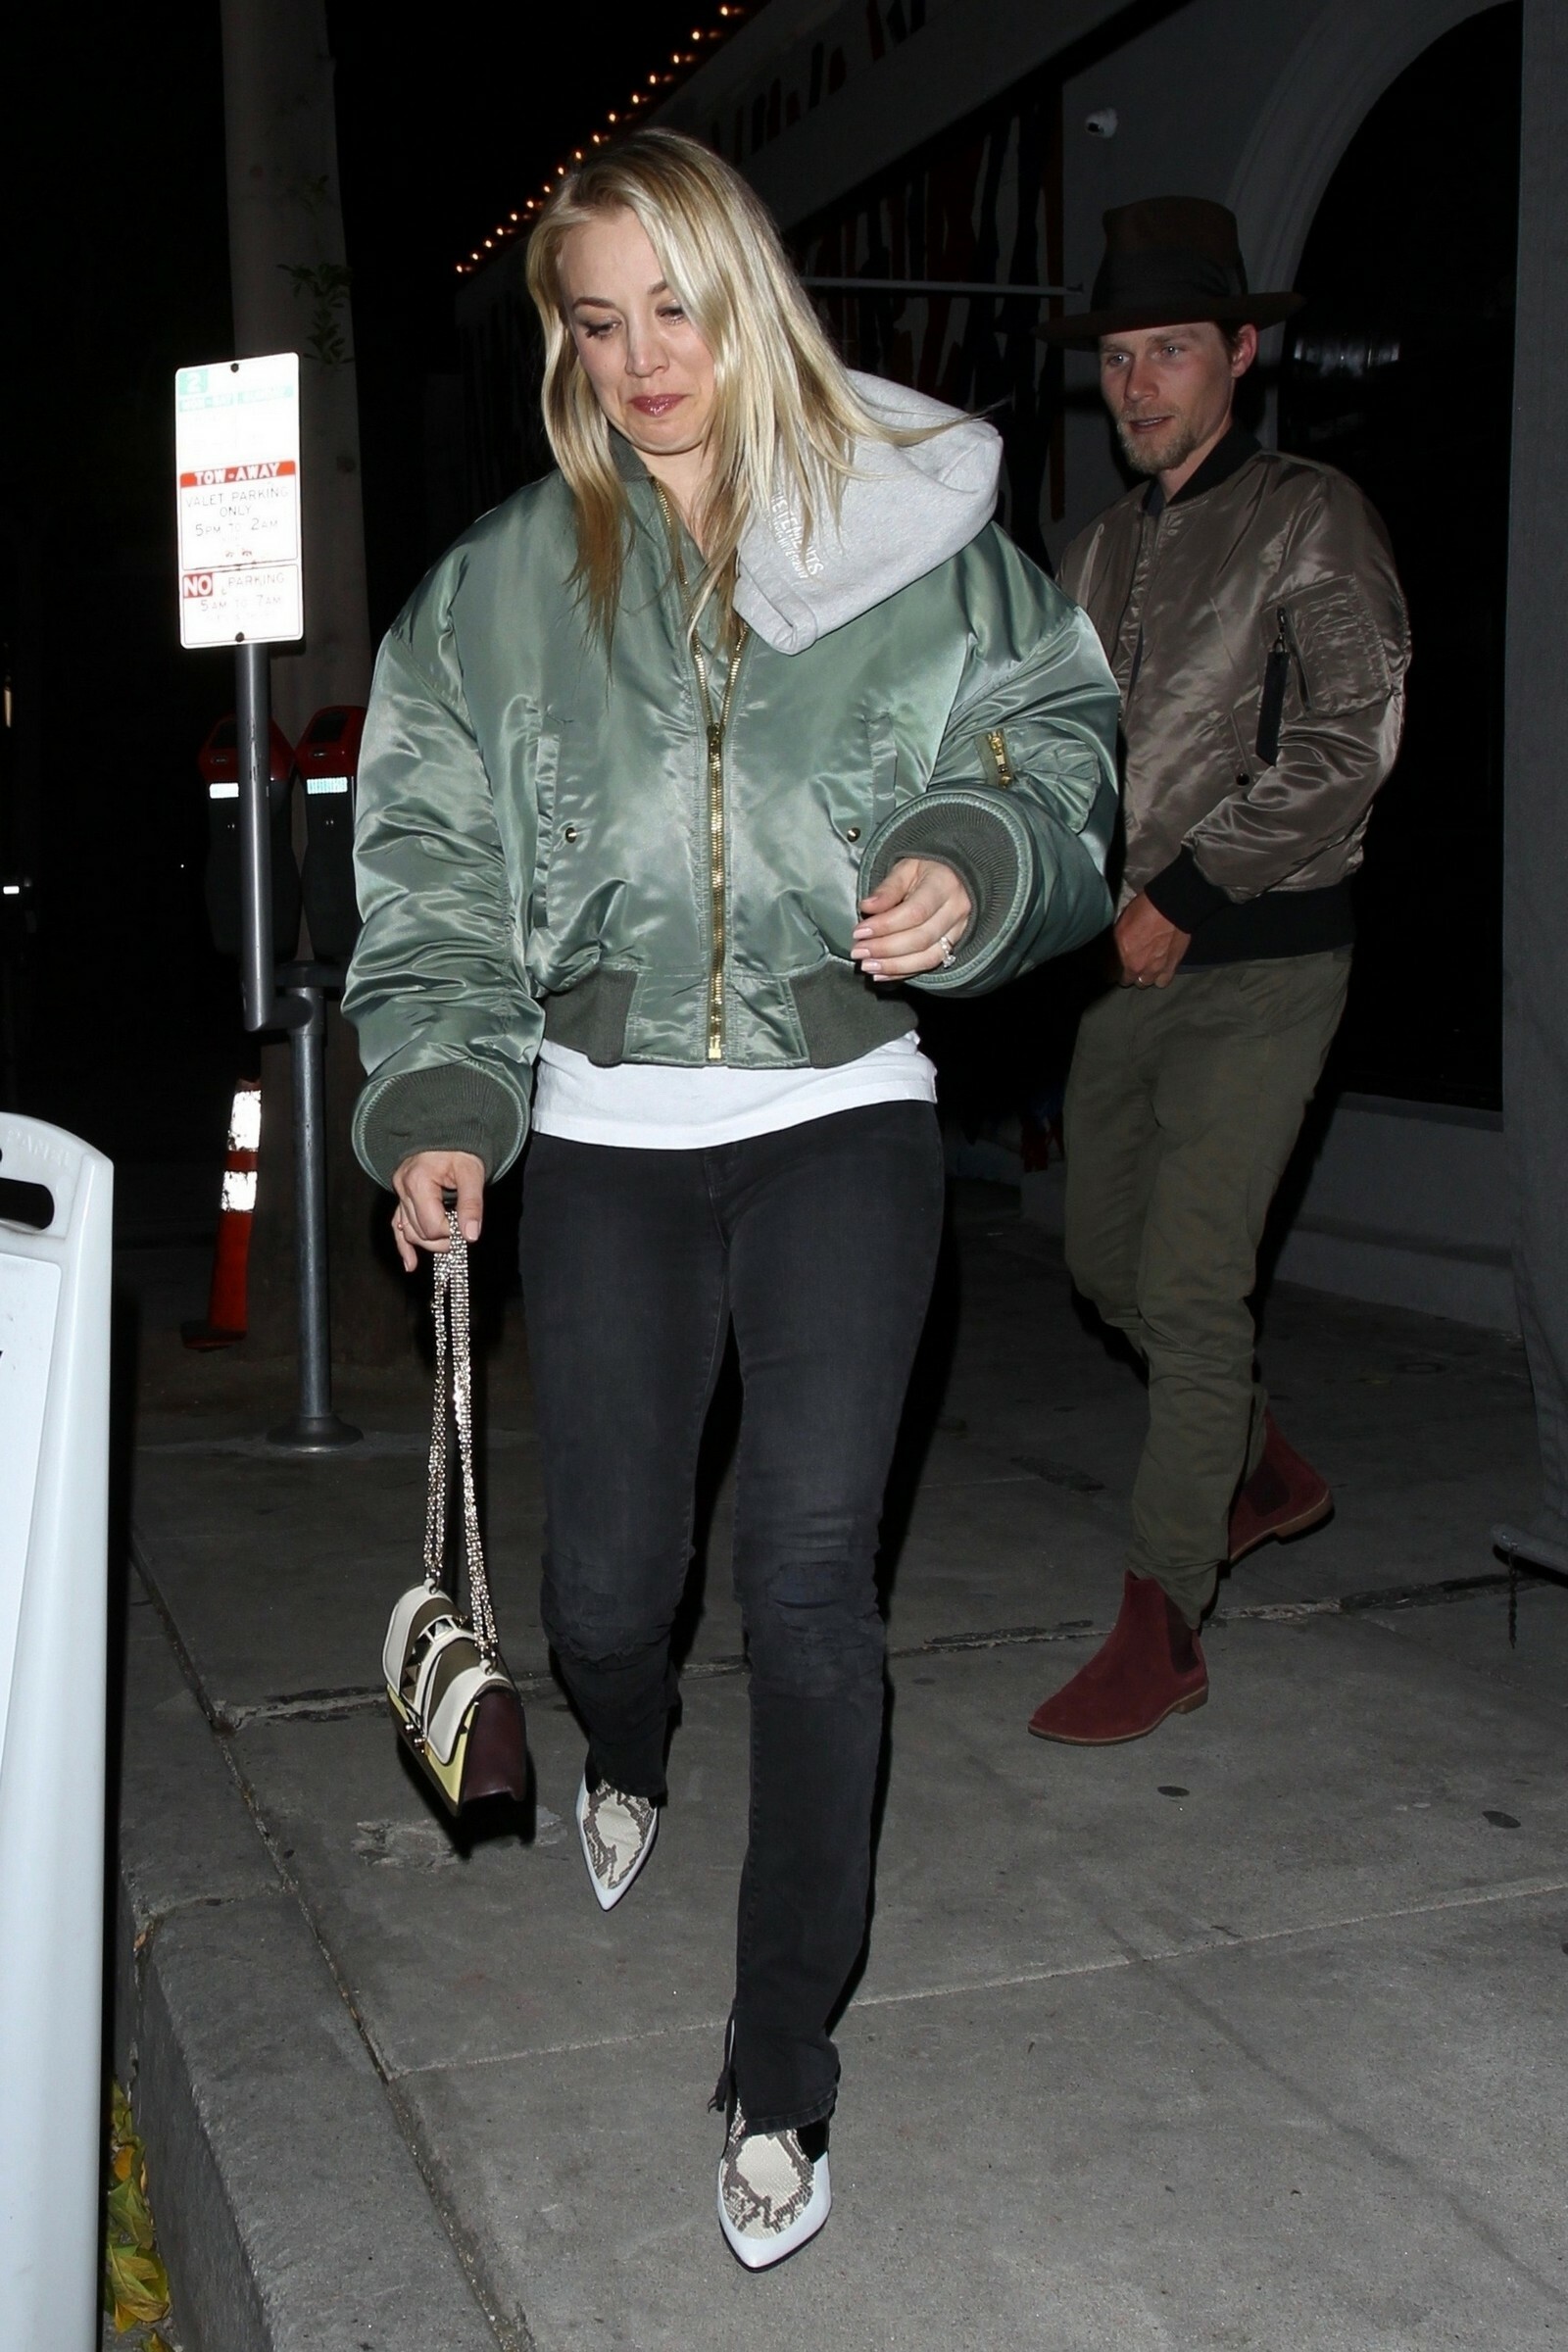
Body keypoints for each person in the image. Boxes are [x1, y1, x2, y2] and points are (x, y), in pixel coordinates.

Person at [344, 129, 1119, 2268]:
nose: (643, 360)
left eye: (675, 307)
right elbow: (428, 869)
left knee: (807, 1584)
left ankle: (783, 2069)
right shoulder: (502, 590)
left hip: (842, 1106)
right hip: (602, 1132)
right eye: (598, 323)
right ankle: (625, 1739)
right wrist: (443, 1091)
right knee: (610, 1596)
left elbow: (1055, 745)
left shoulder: (905, 538)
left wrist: (973, 855)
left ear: (745, 296)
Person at [1029, 198, 1409, 1747]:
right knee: (1102, 1266)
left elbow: (1351, 737)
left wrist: (1187, 892)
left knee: (1189, 1285)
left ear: (1240, 353)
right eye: (1120, 357)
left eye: (1171, 351)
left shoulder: (1311, 515)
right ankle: (1255, 1463)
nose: (1138, 385)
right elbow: (1048, 757)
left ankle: (1163, 1616)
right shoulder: (1093, 549)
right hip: (1120, 969)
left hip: (1263, 958)